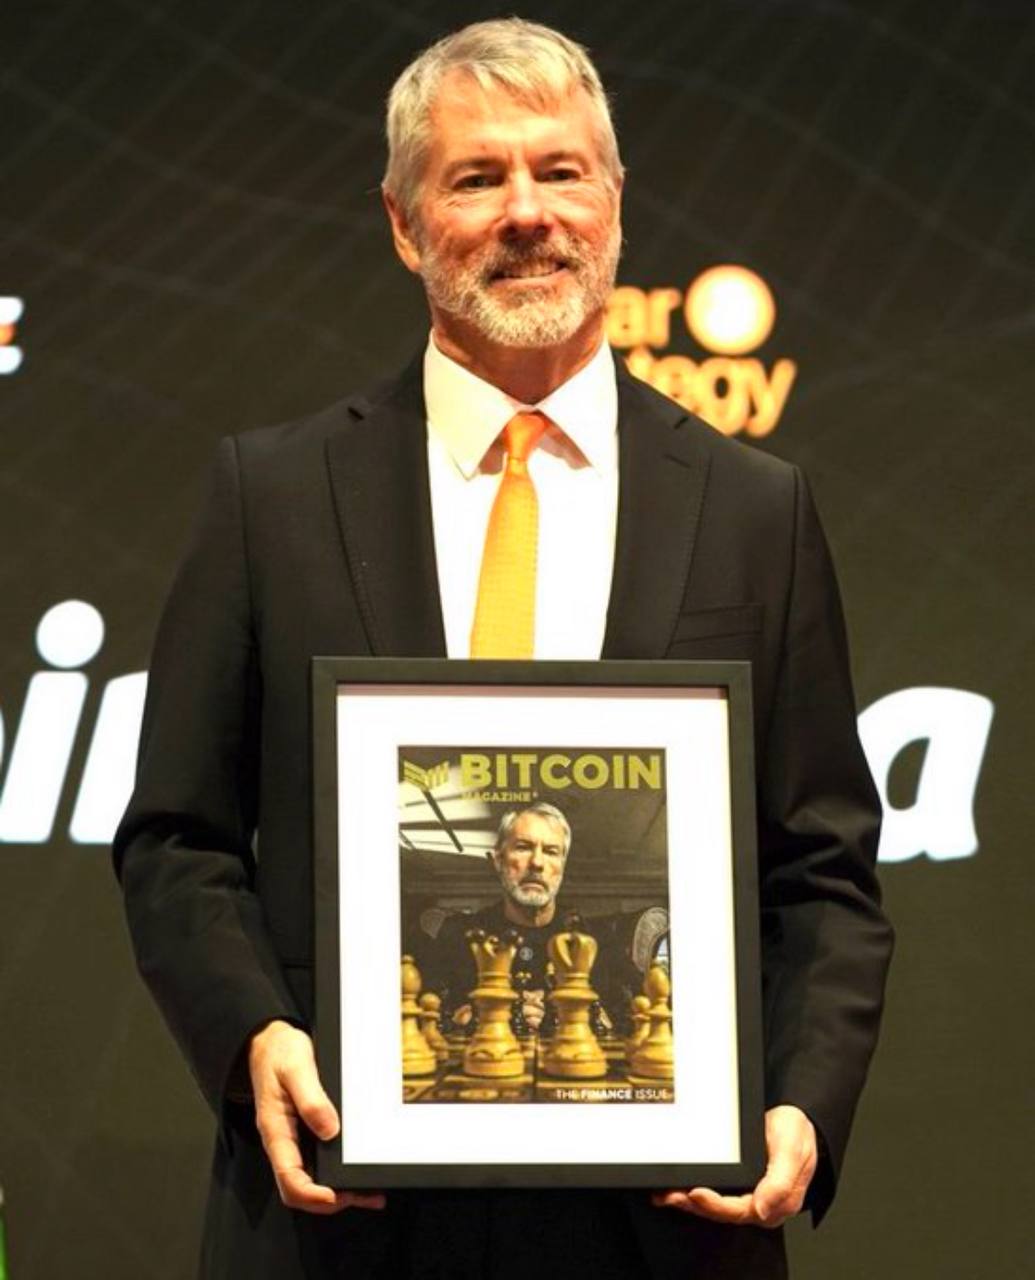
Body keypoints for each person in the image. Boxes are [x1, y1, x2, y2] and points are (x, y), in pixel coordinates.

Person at [114, 17, 893, 1279]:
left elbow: (825, 869)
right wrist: (253, 1031)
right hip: (343, 1214)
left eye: (560, 170)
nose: (528, 211)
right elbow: (177, 838)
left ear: (615, 201)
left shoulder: (756, 509)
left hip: (666, 1226)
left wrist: (799, 1096)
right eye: (477, 177)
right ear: (403, 222)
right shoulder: (272, 495)